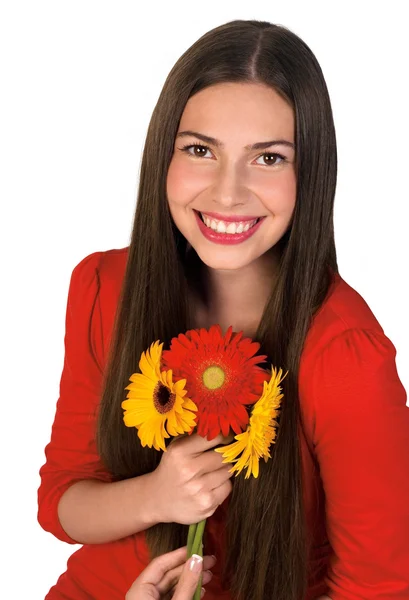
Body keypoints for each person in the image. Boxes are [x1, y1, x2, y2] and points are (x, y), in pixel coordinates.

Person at [37, 18, 409, 600]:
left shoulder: (346, 358)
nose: (228, 192)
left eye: (268, 159)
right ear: (164, 154)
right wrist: (155, 496)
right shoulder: (103, 286)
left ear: (309, 175)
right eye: (200, 150)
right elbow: (61, 502)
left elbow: (380, 586)